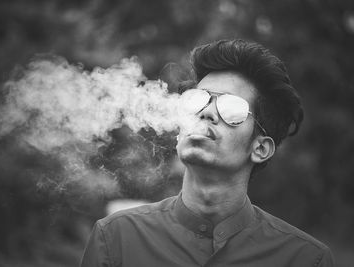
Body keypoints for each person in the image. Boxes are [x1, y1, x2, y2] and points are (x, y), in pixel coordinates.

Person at [80, 39, 334, 267]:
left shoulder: (306, 259)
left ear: (260, 148)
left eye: (231, 108)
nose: (206, 113)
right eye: (198, 99)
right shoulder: (116, 237)